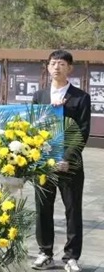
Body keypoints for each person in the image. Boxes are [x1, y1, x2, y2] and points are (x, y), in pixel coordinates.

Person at [31, 50, 91, 272]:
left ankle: (71, 257)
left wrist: (67, 158)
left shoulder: (80, 97)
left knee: (73, 210)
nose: (57, 67)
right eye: (53, 63)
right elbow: (32, 128)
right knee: (42, 209)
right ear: (48, 67)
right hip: (44, 163)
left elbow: (83, 131)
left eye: (62, 64)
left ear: (70, 68)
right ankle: (45, 253)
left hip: (70, 165)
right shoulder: (39, 96)